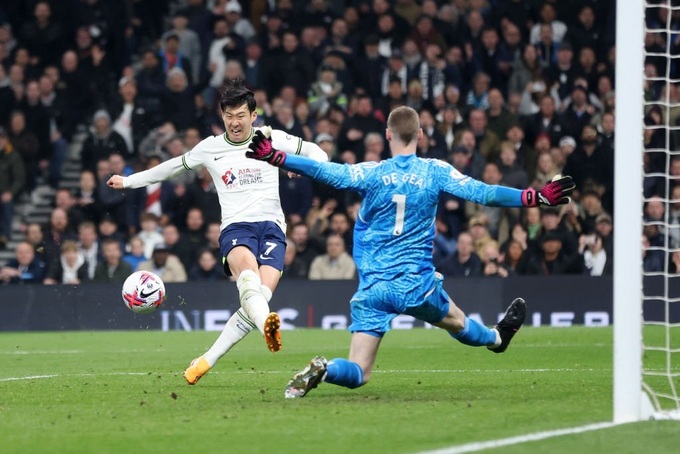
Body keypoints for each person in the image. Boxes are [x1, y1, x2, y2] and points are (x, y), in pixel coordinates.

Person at [244, 105, 575, 398]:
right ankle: (496, 339)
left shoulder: (372, 172)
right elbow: (484, 193)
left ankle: (326, 368)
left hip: (373, 287)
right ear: (420, 134)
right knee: (458, 323)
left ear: (388, 134)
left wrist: (277, 156)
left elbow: (327, 172)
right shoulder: (435, 171)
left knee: (359, 372)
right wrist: (534, 197)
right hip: (416, 285)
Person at [107, 79, 328, 385]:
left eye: (240, 115)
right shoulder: (211, 148)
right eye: (229, 116)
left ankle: (205, 360)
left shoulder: (270, 138)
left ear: (254, 115)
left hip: (274, 229)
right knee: (248, 275)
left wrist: (298, 165)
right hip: (237, 227)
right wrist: (129, 181)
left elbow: (320, 154)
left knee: (257, 299)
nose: (234, 122)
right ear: (222, 116)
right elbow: (171, 168)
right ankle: (269, 324)